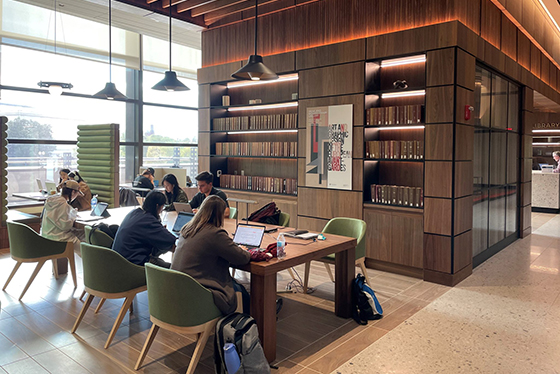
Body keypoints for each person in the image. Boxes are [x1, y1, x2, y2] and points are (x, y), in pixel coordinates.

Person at [171, 195, 250, 314]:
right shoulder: (215, 233)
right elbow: (242, 258)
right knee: (242, 291)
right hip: (198, 289)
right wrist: (242, 249)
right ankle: (248, 324)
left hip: (178, 286)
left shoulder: (187, 229)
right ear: (219, 214)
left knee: (236, 285)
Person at [112, 190, 176, 268]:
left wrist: (160, 230)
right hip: (133, 265)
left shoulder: (134, 213)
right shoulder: (149, 221)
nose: (160, 212)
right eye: (162, 208)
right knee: (174, 270)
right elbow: (172, 241)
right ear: (157, 206)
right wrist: (162, 232)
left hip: (119, 262)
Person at [41, 180, 85, 252]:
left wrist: (72, 212)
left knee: (80, 233)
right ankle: (91, 260)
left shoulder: (52, 201)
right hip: (59, 238)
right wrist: (73, 215)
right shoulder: (63, 204)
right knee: (86, 237)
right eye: (77, 193)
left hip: (46, 236)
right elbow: (66, 226)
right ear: (73, 192)